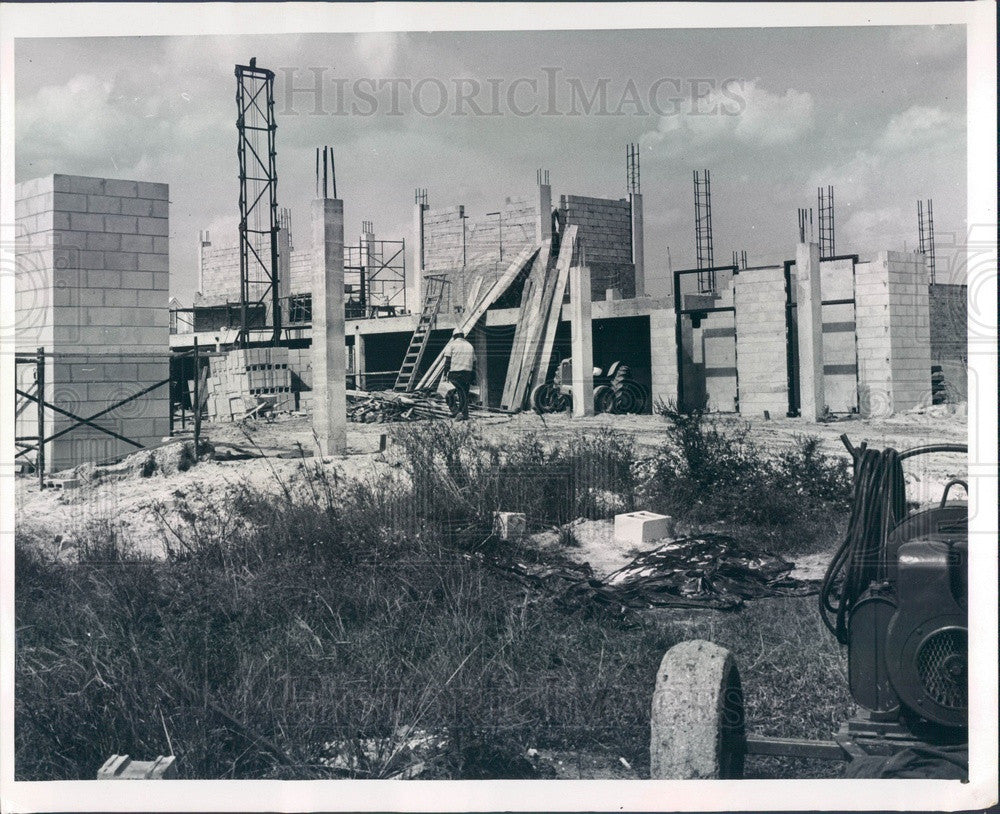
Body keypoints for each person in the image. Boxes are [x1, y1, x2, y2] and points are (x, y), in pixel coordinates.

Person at [442, 331, 475, 420]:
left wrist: (445, 374)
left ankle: (456, 412)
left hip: (455, 373)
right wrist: (473, 377)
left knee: (449, 394)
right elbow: (474, 362)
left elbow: (448, 360)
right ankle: (464, 414)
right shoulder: (470, 345)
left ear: (454, 336)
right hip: (467, 374)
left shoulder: (452, 345)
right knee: (463, 395)